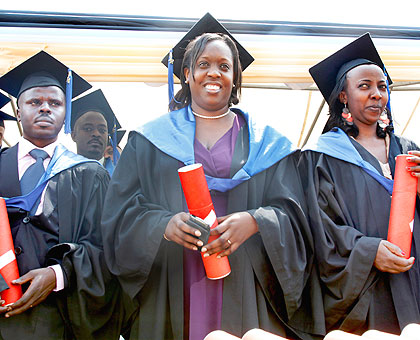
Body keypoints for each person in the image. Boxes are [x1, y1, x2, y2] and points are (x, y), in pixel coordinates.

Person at [102, 13, 323, 340]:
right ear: (187, 73)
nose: (214, 73)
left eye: (224, 66)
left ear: (235, 78)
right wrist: (162, 225)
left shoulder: (267, 143)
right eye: (204, 64)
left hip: (246, 277)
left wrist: (255, 220)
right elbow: (119, 214)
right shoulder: (148, 140)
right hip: (172, 278)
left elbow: (296, 214)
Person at [299, 33, 420, 336]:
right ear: (344, 96)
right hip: (367, 286)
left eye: (382, 86)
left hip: (416, 276)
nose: (376, 94)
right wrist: (367, 251)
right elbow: (320, 226)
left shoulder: (409, 149)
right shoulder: (322, 157)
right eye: (364, 87)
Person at [0, 50, 123, 340]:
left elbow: (106, 249)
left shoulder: (90, 174)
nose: (45, 108)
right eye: (34, 102)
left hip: (60, 318)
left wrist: (59, 274)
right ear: (19, 112)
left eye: (54, 103)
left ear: (65, 112)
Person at [70, 89, 122, 172]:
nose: (96, 134)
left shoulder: (122, 176)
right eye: (88, 129)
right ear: (73, 135)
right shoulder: (61, 173)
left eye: (102, 130)